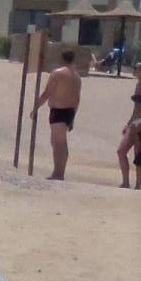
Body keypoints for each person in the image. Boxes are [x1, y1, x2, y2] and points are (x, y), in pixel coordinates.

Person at [32, 48, 83, 181]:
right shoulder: (77, 77)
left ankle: (58, 173)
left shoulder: (57, 74)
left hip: (59, 110)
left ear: (62, 58)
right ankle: (59, 171)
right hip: (70, 111)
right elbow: (77, 99)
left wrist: (35, 108)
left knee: (59, 142)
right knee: (57, 142)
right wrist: (73, 117)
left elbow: (47, 93)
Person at [114, 58, 141, 189]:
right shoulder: (138, 85)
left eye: (137, 69)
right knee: (121, 151)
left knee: (138, 154)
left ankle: (138, 185)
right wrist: (129, 123)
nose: (134, 71)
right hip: (134, 121)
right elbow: (135, 107)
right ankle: (126, 182)